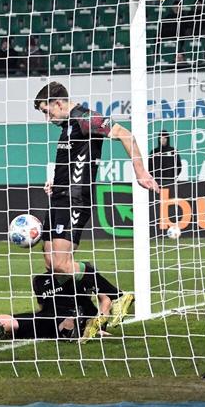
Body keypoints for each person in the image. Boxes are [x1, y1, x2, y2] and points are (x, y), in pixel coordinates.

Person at [34, 82, 159, 340]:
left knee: (61, 263)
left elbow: (126, 134)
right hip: (59, 196)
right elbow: (72, 162)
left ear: (59, 103)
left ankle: (114, 295)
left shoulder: (85, 118)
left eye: (48, 111)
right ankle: (96, 307)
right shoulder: (67, 125)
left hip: (75, 199)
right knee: (51, 263)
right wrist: (55, 182)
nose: (48, 118)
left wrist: (140, 172)